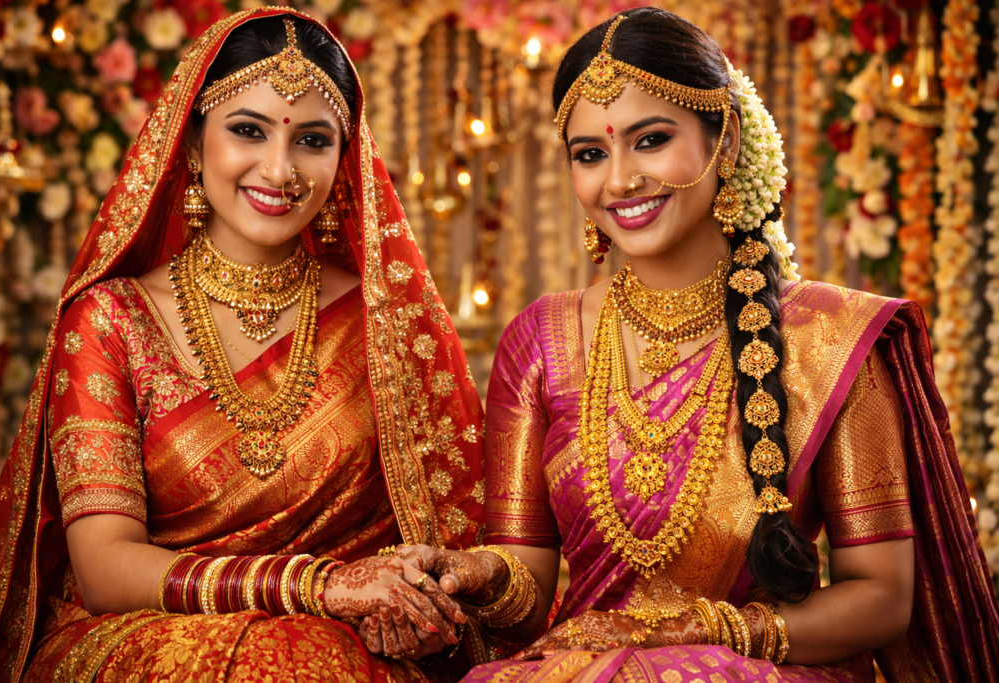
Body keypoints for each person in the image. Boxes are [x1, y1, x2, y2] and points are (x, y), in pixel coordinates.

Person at [385, 8, 999, 682]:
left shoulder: (829, 338)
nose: (618, 181)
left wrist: (713, 629)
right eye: (591, 153)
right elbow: (527, 596)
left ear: (726, 142)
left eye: (650, 140)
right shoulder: (540, 340)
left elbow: (883, 598)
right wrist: (480, 571)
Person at [0, 8, 487, 681]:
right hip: (146, 645)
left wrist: (417, 607)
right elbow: (104, 568)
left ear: (345, 158)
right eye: (247, 130)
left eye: (312, 139)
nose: (279, 168)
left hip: (356, 649)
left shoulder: (384, 319)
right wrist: (317, 587)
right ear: (190, 144)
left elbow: (448, 537)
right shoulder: (110, 320)